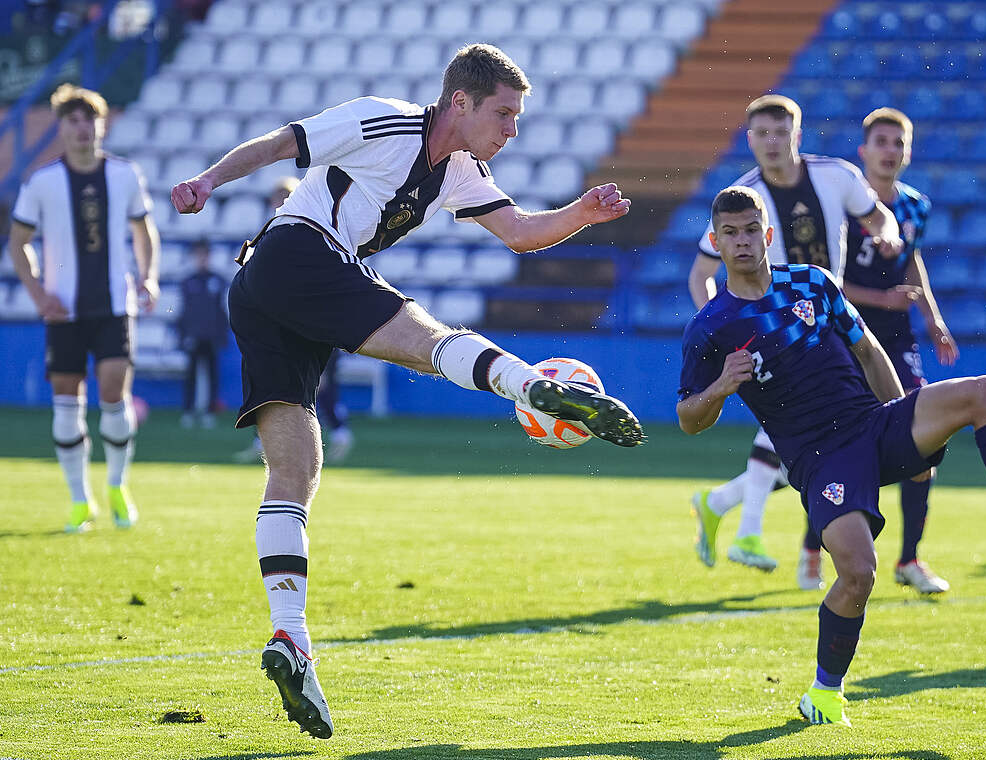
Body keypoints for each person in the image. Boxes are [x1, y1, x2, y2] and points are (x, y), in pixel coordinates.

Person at [170, 43, 645, 739]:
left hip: (266, 294)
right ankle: (532, 387)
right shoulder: (382, 122)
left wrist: (582, 211)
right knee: (424, 338)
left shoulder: (457, 169)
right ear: (460, 101)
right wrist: (207, 181)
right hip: (300, 252)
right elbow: (283, 142)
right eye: (504, 113)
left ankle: (289, 637)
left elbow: (517, 231)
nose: (512, 130)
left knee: (294, 470)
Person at [678, 186, 986, 726]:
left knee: (982, 391)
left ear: (768, 234)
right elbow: (689, 419)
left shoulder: (812, 283)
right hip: (822, 461)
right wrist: (721, 386)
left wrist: (907, 425)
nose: (743, 241)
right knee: (859, 573)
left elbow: (866, 349)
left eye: (751, 230)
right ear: (716, 243)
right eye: (731, 233)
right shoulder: (711, 327)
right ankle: (824, 691)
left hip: (873, 423)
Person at [687, 94, 903, 578]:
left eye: (780, 133)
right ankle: (750, 533)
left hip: (832, 318)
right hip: (772, 329)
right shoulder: (740, 202)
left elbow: (877, 214)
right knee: (793, 426)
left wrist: (887, 232)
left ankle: (719, 502)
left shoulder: (837, 175)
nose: (771, 142)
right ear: (750, 141)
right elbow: (699, 271)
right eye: (761, 134)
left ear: (796, 136)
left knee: (819, 443)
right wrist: (723, 322)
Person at [7, 83, 159, 533]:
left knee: (114, 390)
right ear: (61, 127)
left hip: (113, 304)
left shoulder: (125, 175)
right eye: (72, 120)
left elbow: (144, 231)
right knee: (66, 405)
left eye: (88, 118)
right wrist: (37, 294)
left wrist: (148, 277)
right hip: (64, 312)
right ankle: (79, 500)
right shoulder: (42, 181)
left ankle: (117, 485)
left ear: (101, 124)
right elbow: (18, 244)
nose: (81, 128)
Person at [833, 107, 960, 595]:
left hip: (898, 335)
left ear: (908, 152)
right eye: (881, 142)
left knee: (922, 443)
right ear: (863, 151)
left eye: (898, 143)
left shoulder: (914, 207)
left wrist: (933, 317)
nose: (890, 151)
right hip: (845, 332)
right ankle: (813, 546)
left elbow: (913, 263)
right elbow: (830, 279)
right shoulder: (845, 207)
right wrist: (879, 299)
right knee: (842, 437)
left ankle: (909, 558)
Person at [232, 177, 355, 463]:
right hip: (283, 318)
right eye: (276, 197)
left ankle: (336, 432)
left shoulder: (313, 229)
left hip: (313, 319)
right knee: (274, 379)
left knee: (314, 383)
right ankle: (268, 441)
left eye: (284, 196)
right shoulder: (271, 232)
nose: (279, 202)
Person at [177, 238, 228, 428]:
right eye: (198, 255)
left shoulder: (217, 280)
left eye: (204, 255)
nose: (202, 259)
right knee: (190, 375)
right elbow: (183, 311)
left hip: (211, 335)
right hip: (193, 335)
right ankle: (188, 411)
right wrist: (184, 335)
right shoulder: (188, 282)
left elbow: (222, 311)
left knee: (213, 375)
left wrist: (221, 335)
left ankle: (209, 411)